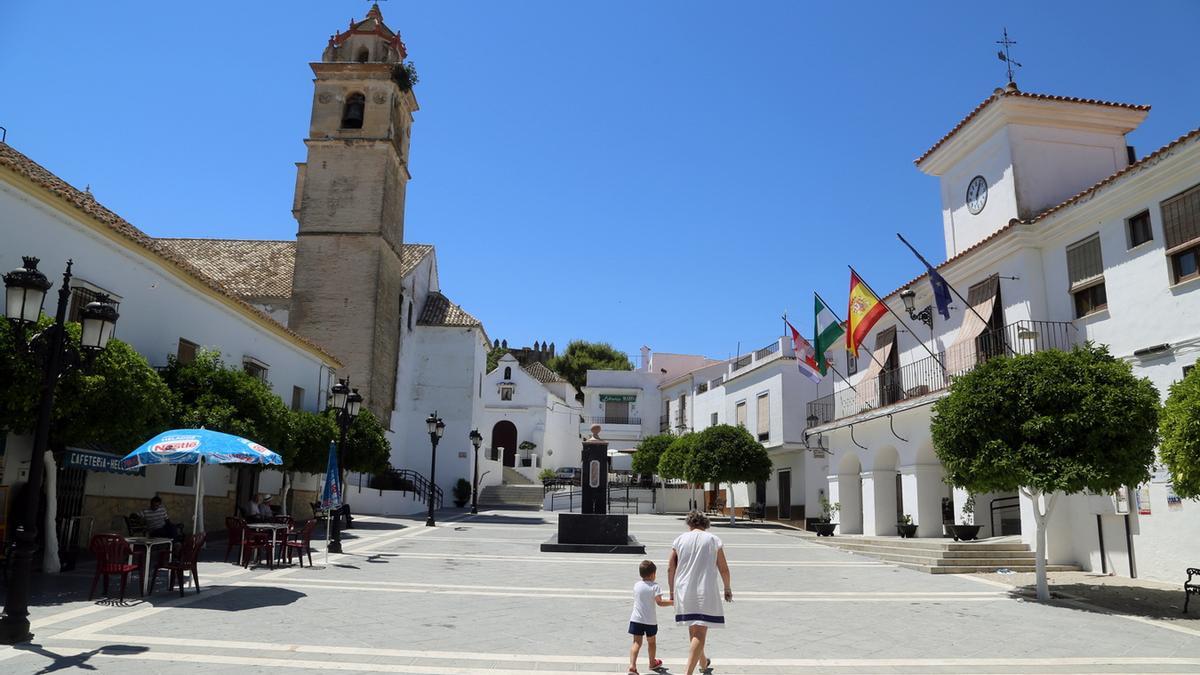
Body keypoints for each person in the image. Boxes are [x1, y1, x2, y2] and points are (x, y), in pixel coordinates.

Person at [668, 511, 732, 675]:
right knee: (700, 631)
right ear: (706, 524)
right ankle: (687, 672)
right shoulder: (713, 539)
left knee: (694, 630)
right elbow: (723, 568)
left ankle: (703, 663)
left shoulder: (680, 539)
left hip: (683, 589)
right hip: (705, 590)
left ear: (689, 524)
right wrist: (727, 588)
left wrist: (671, 592)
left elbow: (670, 568)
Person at [627, 559, 672, 675]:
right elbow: (660, 602)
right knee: (651, 642)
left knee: (636, 643)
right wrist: (673, 602)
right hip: (650, 621)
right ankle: (652, 663)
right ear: (653, 574)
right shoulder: (655, 586)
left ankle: (632, 666)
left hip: (636, 619)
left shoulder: (637, 585)